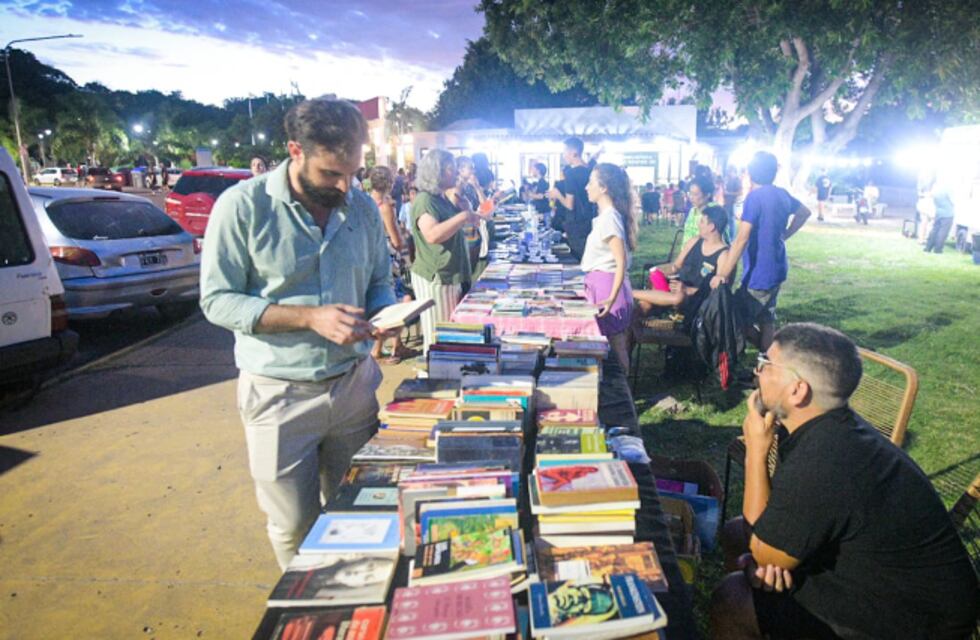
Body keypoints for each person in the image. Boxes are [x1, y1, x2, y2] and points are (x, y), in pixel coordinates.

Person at [199, 99, 396, 570]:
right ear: (295, 151)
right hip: (278, 396)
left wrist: (388, 316)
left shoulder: (362, 208)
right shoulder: (242, 207)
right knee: (293, 526)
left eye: (353, 173)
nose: (345, 185)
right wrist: (309, 317)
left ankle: (357, 602)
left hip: (353, 387)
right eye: (332, 174)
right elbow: (217, 300)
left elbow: (378, 282)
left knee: (361, 510)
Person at [710, 323, 978, 640]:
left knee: (733, 599)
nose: (757, 372)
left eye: (766, 364)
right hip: (874, 576)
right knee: (734, 535)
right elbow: (767, 542)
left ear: (798, 390)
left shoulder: (826, 457)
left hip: (913, 620)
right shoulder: (825, 427)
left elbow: (766, 552)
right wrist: (763, 563)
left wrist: (756, 451)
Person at [711, 151, 811, 352]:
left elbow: (742, 238)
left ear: (749, 173)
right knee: (766, 319)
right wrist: (786, 234)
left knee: (737, 320)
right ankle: (766, 366)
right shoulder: (781, 194)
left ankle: (773, 357)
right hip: (777, 267)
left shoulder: (754, 198)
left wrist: (722, 274)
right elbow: (804, 212)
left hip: (760, 272)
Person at [409, 149, 490, 351]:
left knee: (449, 332)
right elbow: (433, 235)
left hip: (450, 274)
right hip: (437, 276)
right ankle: (435, 375)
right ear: (438, 172)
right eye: (451, 169)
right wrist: (463, 217)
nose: (455, 173)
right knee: (438, 336)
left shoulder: (440, 198)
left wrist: (463, 209)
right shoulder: (425, 200)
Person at [581, 162, 637, 374]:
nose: (587, 187)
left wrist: (611, 298)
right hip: (602, 285)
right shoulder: (607, 217)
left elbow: (620, 261)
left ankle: (625, 397)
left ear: (603, 188)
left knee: (616, 344)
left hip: (608, 287)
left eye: (591, 182)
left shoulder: (610, 218)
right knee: (612, 344)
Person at [634, 204, 729, 320]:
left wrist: (687, 290)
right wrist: (658, 271)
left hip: (697, 298)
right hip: (677, 288)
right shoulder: (694, 241)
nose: (698, 224)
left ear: (711, 227)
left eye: (702, 222)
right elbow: (675, 266)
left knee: (677, 298)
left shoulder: (724, 255)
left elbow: (719, 292)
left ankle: (628, 292)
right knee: (645, 304)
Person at [368, 166, 415, 364]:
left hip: (372, 255)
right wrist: (406, 243)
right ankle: (394, 346)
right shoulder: (386, 207)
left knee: (383, 302)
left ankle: (381, 348)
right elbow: (395, 239)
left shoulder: (366, 201)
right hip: (390, 257)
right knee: (404, 297)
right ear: (389, 183)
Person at [547, 137, 594, 260]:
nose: (564, 156)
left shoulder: (571, 174)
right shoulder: (591, 171)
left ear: (574, 153)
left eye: (565, 152)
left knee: (578, 257)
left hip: (576, 224)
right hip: (590, 220)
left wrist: (557, 194)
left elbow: (569, 204)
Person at [682, 173, 715, 243]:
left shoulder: (715, 212)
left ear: (707, 195)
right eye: (690, 193)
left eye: (695, 194)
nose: (691, 197)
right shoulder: (692, 210)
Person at [924, 185, 955, 253]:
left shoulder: (935, 191)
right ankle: (938, 249)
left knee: (934, 230)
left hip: (938, 213)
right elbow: (954, 201)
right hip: (948, 214)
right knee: (943, 232)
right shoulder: (947, 189)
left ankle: (928, 247)